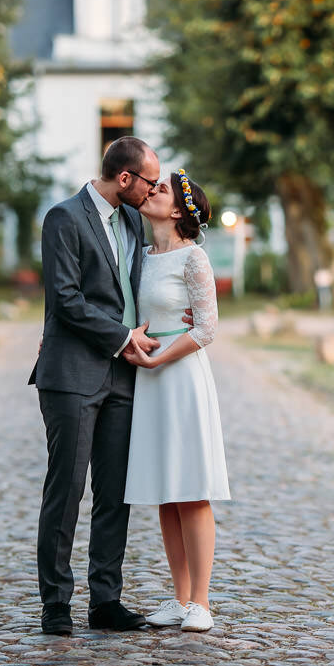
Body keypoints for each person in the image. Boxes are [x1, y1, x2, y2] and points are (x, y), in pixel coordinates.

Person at [28, 136, 165, 636]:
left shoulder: (132, 219)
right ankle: (56, 605)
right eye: (149, 182)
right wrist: (121, 336)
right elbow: (65, 298)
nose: (153, 192)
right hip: (72, 376)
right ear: (124, 178)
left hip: (124, 377)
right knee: (66, 490)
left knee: (116, 493)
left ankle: (106, 600)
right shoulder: (63, 218)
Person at [122, 170, 229, 633]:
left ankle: (202, 602)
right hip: (149, 378)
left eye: (160, 188)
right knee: (166, 491)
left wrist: (160, 358)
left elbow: (206, 328)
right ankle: (180, 597)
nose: (151, 190)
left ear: (181, 210)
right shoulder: (141, 256)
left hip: (180, 375)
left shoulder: (194, 259)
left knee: (190, 487)